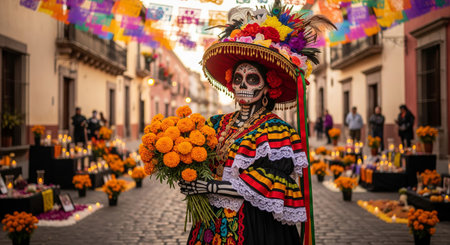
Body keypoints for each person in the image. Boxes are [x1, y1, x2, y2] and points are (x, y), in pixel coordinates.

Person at [178, 2, 335, 244]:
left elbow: (260, 187)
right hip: (210, 224)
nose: (242, 85)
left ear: (267, 87)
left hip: (254, 225)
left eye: (252, 79)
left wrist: (208, 187)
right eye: (238, 78)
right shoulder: (216, 123)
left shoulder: (276, 132)